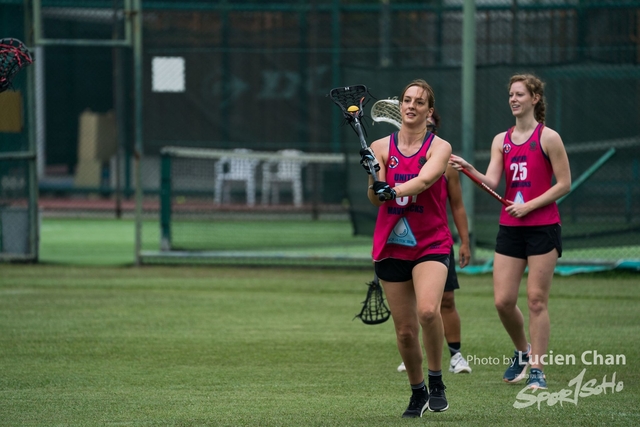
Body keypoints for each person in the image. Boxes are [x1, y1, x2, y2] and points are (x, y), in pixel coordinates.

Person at [449, 73, 571, 390]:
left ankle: (537, 370)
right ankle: (522, 351)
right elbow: (492, 182)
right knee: (503, 301)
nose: (513, 99)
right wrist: (468, 169)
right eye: (510, 95)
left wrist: (529, 206)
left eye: (519, 94)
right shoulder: (501, 141)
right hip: (511, 229)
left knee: (535, 301)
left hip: (543, 228)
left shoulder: (549, 138)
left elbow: (564, 184)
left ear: (535, 98)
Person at [360, 79, 453, 417]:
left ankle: (437, 379)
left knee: (429, 310)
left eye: (420, 102)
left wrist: (393, 189)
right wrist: (374, 178)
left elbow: (426, 179)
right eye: (407, 100)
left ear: (430, 112)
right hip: (392, 245)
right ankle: (418, 392)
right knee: (404, 332)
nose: (411, 106)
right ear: (400, 106)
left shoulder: (439, 146)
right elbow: (373, 198)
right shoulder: (380, 146)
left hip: (431, 242)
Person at [397, 109, 472, 375]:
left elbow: (458, 206)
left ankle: (455, 356)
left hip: (436, 242)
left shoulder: (447, 166)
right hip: (404, 242)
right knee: (412, 305)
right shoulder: (396, 156)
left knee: (445, 301)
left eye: (429, 126)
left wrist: (464, 241)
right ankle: (412, 354)